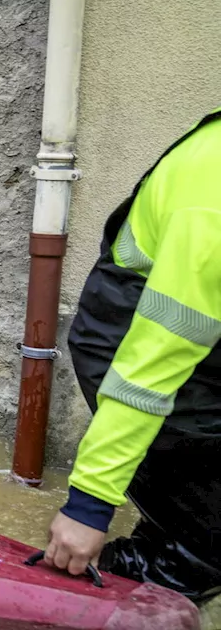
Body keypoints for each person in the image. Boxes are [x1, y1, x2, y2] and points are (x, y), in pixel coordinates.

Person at [46, 106, 221, 605]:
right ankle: (129, 582)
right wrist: (89, 505)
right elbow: (154, 362)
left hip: (200, 348)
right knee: (201, 551)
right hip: (135, 349)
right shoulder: (213, 196)